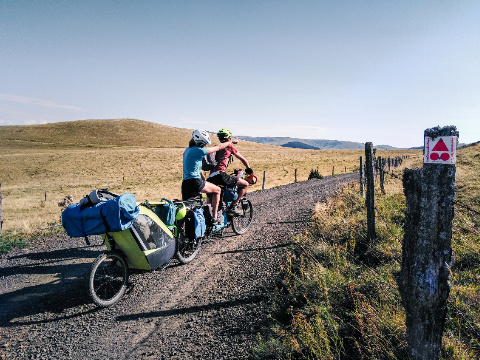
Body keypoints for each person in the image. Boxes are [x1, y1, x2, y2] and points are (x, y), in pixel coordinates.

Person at [182, 129, 238, 225]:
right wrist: (231, 141)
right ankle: (214, 218)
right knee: (217, 191)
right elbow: (219, 147)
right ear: (202, 143)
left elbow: (199, 169)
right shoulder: (199, 151)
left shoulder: (187, 151)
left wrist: (204, 179)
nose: (205, 146)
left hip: (185, 184)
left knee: (188, 208)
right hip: (195, 182)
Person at [207, 129, 252, 216]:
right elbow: (244, 160)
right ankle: (233, 207)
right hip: (220, 174)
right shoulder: (230, 147)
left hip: (211, 177)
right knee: (245, 184)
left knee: (213, 197)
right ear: (229, 138)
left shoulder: (217, 147)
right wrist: (249, 170)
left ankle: (213, 216)